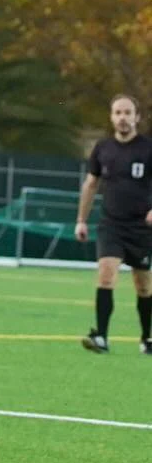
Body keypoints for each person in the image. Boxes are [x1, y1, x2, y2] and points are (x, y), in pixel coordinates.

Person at [76, 94, 152, 354]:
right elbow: (90, 184)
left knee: (143, 285)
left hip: (142, 228)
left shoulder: (148, 149)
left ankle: (146, 338)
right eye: (118, 113)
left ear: (137, 117)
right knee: (106, 275)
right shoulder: (102, 149)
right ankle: (102, 338)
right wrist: (81, 220)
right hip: (111, 225)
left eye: (127, 113)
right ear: (111, 117)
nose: (123, 118)